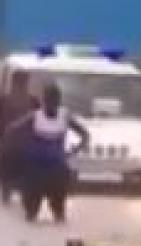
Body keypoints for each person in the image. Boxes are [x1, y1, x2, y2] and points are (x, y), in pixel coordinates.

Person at [8, 83, 88, 223]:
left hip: (56, 166)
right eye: (49, 100)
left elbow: (85, 135)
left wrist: (74, 150)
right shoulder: (34, 116)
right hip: (35, 166)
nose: (51, 104)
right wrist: (21, 147)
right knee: (31, 210)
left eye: (54, 100)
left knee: (59, 209)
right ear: (44, 101)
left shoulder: (65, 116)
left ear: (59, 101)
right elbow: (12, 129)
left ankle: (57, 213)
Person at [0, 71, 39, 204]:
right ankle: (23, 200)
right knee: (24, 177)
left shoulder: (4, 100)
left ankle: (9, 199)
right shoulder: (33, 101)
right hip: (24, 146)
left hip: (10, 145)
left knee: (7, 178)